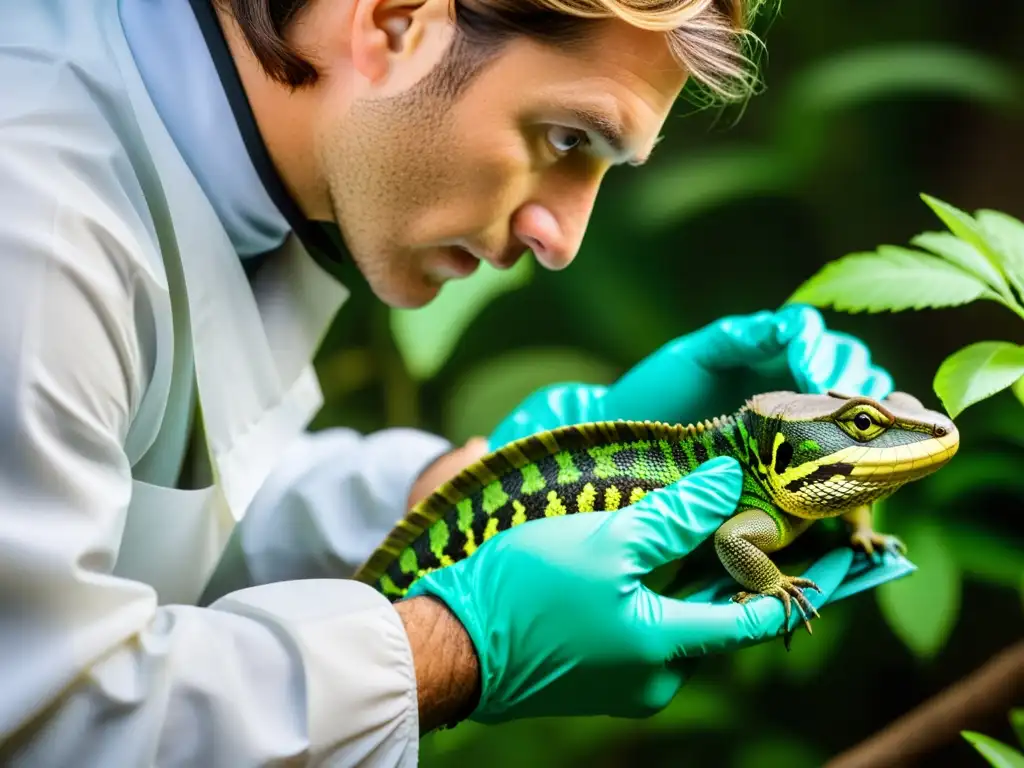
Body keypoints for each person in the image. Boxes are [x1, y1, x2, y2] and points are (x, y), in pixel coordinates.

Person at [0, 0, 908, 764]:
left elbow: (147, 521)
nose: (563, 240)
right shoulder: (31, 217)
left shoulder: (249, 164)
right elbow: (44, 717)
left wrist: (475, 491)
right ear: (398, 21)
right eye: (566, 136)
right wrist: (456, 645)